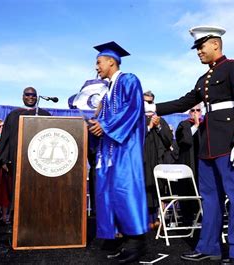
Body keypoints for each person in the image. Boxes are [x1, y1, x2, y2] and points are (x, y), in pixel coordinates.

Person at [145, 26, 234, 264]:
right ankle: (209, 247)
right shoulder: (204, 78)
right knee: (210, 198)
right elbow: (185, 101)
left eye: (201, 46)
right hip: (208, 145)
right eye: (197, 48)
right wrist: (153, 108)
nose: (198, 52)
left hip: (229, 142)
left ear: (216, 44)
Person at [88, 41, 148, 264]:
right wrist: (95, 125)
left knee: (126, 189)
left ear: (111, 61)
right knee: (109, 191)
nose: (96, 67)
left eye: (99, 62)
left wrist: (105, 125)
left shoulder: (128, 79)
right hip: (110, 150)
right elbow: (103, 120)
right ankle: (120, 237)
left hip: (125, 146)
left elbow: (133, 108)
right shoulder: (106, 93)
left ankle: (136, 241)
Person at [0, 87, 51, 217]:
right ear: (23, 97)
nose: (30, 97)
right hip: (17, 158)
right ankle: (17, 218)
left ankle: (39, 215)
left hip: (40, 160)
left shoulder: (45, 115)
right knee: (18, 189)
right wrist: (4, 159)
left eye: (33, 95)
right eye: (28, 94)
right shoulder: (14, 115)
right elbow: (6, 139)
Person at [142, 90, 173, 229]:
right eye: (145, 101)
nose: (147, 104)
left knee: (156, 188)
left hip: (157, 160)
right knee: (144, 188)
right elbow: (136, 138)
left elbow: (168, 141)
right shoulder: (137, 119)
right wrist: (149, 126)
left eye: (150, 102)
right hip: (142, 160)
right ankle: (144, 219)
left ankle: (156, 218)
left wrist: (159, 125)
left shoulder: (161, 119)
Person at [173, 104, 202, 225]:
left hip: (202, 163)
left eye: (198, 110)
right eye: (192, 110)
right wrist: (195, 126)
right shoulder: (183, 125)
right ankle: (187, 219)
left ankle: (202, 216)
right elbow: (184, 141)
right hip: (187, 161)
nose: (195, 113)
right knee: (187, 188)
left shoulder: (207, 124)